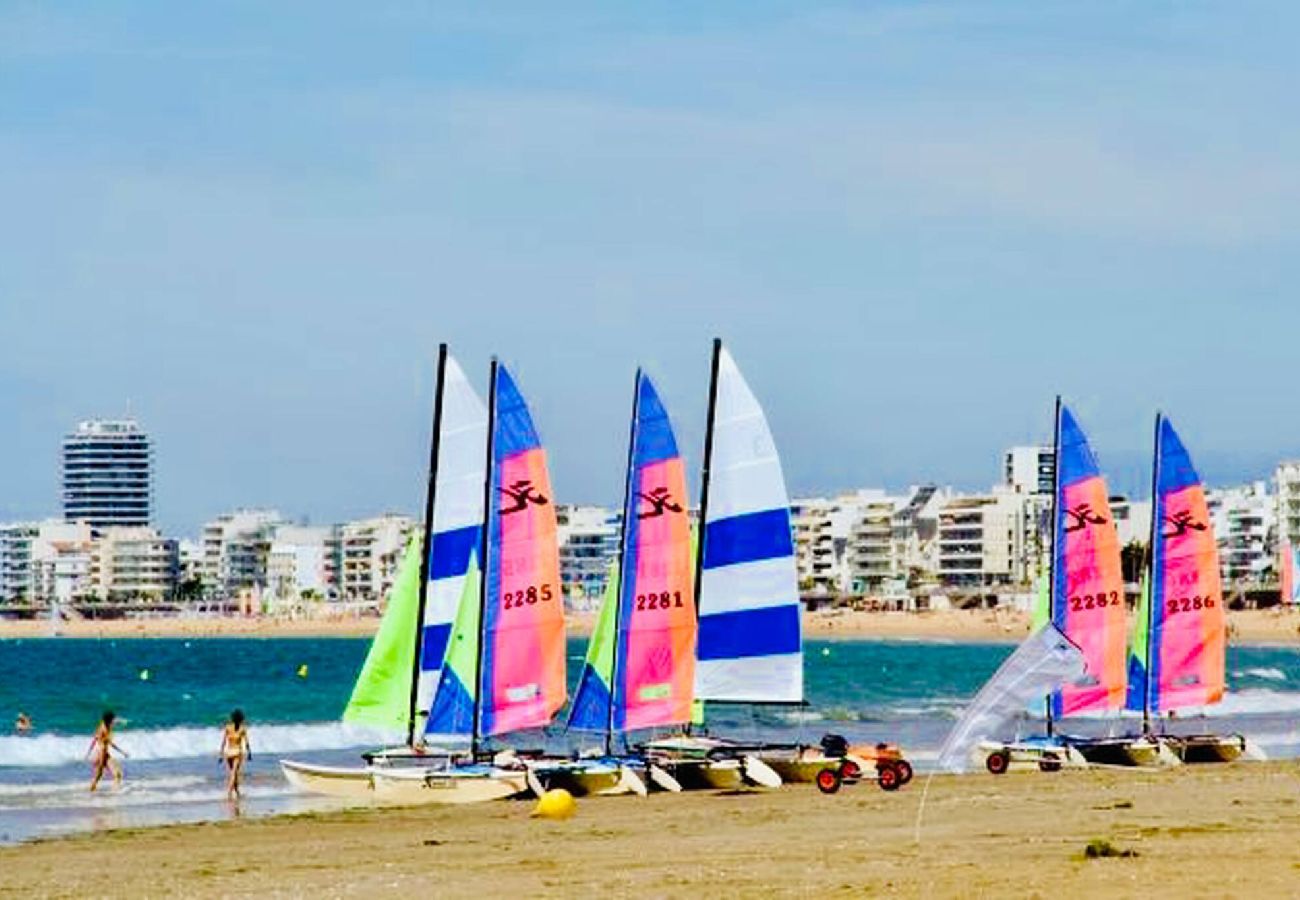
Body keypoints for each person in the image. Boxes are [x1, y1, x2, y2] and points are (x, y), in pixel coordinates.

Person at [87, 710, 127, 791]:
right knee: (103, 774)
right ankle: (114, 792)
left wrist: (122, 721)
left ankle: (113, 791)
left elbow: (95, 740)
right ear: (109, 720)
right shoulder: (103, 729)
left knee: (115, 774)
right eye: (113, 719)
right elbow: (101, 741)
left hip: (104, 753)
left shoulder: (105, 725)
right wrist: (122, 752)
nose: (114, 720)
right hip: (101, 754)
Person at [219, 709, 251, 799]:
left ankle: (237, 792)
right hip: (237, 752)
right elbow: (247, 742)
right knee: (234, 774)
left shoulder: (228, 727)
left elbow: (223, 742)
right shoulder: (242, 728)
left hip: (228, 752)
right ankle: (229, 793)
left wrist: (221, 754)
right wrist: (249, 753)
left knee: (233, 774)